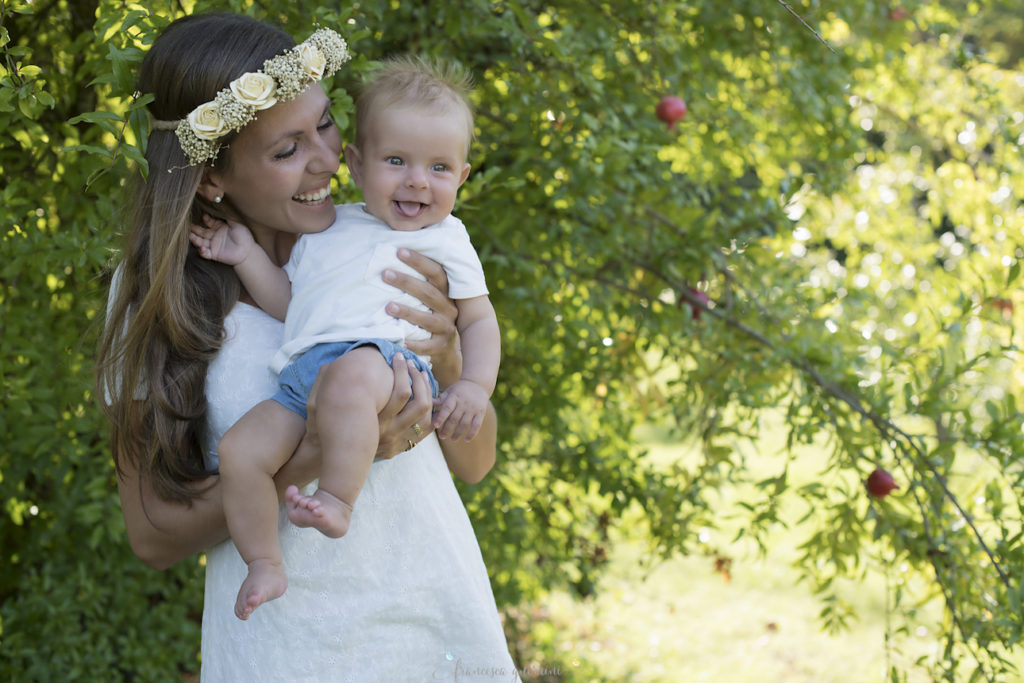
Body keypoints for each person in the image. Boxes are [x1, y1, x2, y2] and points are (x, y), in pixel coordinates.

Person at [96, 12, 518, 681]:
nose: (327, 159)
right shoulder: (156, 296)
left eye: (324, 124)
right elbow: (152, 534)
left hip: (430, 620)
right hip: (284, 648)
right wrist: (323, 449)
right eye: (286, 149)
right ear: (211, 178)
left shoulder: (383, 245)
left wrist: (452, 367)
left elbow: (474, 462)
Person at [187, 56, 500, 620]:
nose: (416, 181)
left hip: (383, 366)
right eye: (397, 161)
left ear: (462, 177)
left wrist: (472, 383)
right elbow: (294, 308)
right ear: (357, 164)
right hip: (304, 373)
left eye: (438, 168)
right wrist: (247, 256)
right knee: (239, 450)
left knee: (352, 378)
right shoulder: (330, 229)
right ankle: (265, 563)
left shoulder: (447, 239)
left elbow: (477, 320)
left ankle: (336, 498)